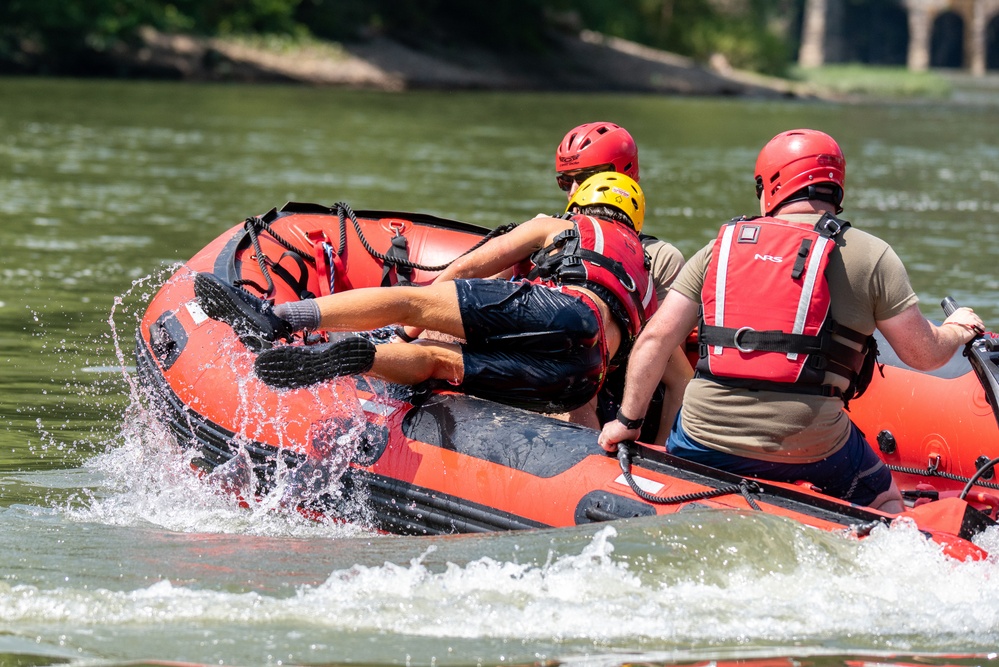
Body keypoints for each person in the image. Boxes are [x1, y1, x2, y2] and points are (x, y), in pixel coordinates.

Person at [597, 128, 984, 513]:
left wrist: (628, 422)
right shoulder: (873, 256)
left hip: (706, 436)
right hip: (812, 442)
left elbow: (655, 341)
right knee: (883, 499)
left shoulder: (718, 250)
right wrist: (956, 328)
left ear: (770, 186)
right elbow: (923, 354)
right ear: (836, 190)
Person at [194, 171, 656, 416]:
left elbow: (472, 264)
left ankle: (278, 319)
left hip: (568, 312)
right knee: (440, 364)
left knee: (413, 302)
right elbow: (659, 359)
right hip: (580, 380)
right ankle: (362, 359)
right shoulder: (647, 273)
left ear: (582, 204)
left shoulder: (560, 225)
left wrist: (416, 321)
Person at [554, 121, 691, 442]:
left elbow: (671, 365)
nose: (572, 192)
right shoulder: (551, 236)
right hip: (569, 379)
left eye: (584, 179)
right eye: (564, 181)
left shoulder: (661, 257)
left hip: (626, 390)